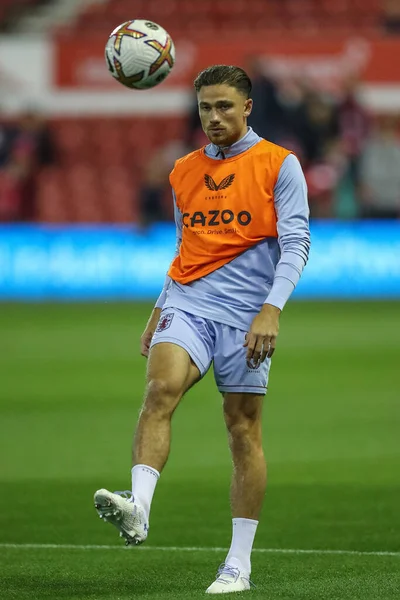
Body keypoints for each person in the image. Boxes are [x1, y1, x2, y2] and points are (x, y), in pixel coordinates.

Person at [94, 65, 311, 594]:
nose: (214, 117)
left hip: (247, 317)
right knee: (159, 390)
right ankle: (138, 507)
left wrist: (271, 309)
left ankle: (239, 564)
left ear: (247, 107)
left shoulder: (279, 165)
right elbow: (184, 249)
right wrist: (158, 306)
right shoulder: (182, 171)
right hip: (189, 303)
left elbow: (297, 243)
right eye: (205, 108)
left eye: (224, 107)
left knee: (242, 429)